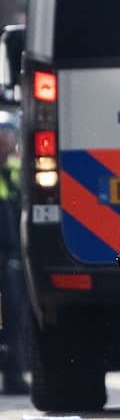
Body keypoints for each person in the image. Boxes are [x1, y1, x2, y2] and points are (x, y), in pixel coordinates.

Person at [0, 111, 28, 396]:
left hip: (10, 258)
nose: (8, 143)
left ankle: (14, 375)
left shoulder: (13, 170)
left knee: (14, 317)